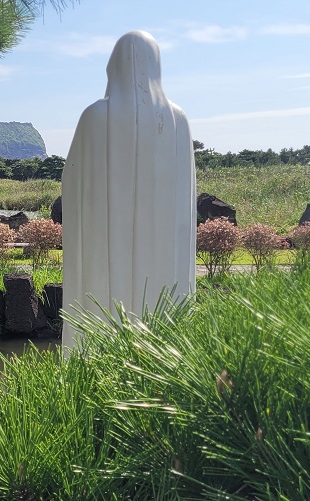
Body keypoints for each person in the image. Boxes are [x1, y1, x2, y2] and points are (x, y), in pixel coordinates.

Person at [61, 31, 196, 348]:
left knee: (104, 301)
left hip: (106, 243)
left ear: (113, 67)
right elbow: (185, 200)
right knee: (162, 310)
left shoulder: (95, 117)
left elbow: (74, 182)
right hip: (163, 247)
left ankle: (96, 369)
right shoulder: (178, 120)